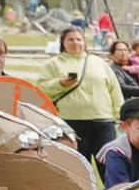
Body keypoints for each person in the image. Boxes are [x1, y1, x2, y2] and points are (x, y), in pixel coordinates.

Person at [38, 27, 121, 161]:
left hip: (103, 122)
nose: (75, 42)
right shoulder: (52, 64)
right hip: (70, 122)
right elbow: (41, 89)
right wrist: (60, 83)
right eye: (70, 39)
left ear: (84, 42)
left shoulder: (99, 62)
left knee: (110, 163)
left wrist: (119, 112)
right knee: (79, 167)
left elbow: (114, 88)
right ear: (63, 43)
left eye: (79, 39)